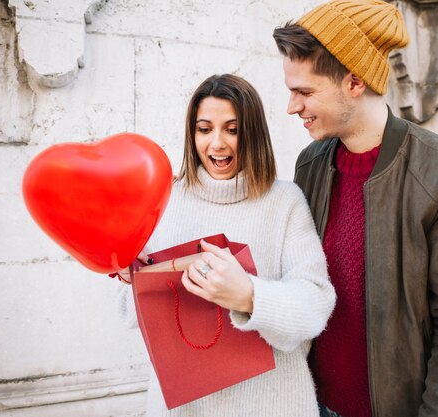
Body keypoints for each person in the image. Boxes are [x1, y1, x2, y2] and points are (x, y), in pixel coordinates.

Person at [272, 1, 438, 417]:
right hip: (308, 404)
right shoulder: (310, 165)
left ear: (354, 82)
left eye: (304, 92)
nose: (292, 107)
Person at [116, 73, 336, 417]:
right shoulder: (166, 199)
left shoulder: (284, 201)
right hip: (183, 406)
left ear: (253, 134)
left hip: (271, 403)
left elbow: (316, 303)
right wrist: (133, 278)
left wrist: (249, 295)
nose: (217, 143)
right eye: (204, 129)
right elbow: (137, 317)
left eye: (231, 130)